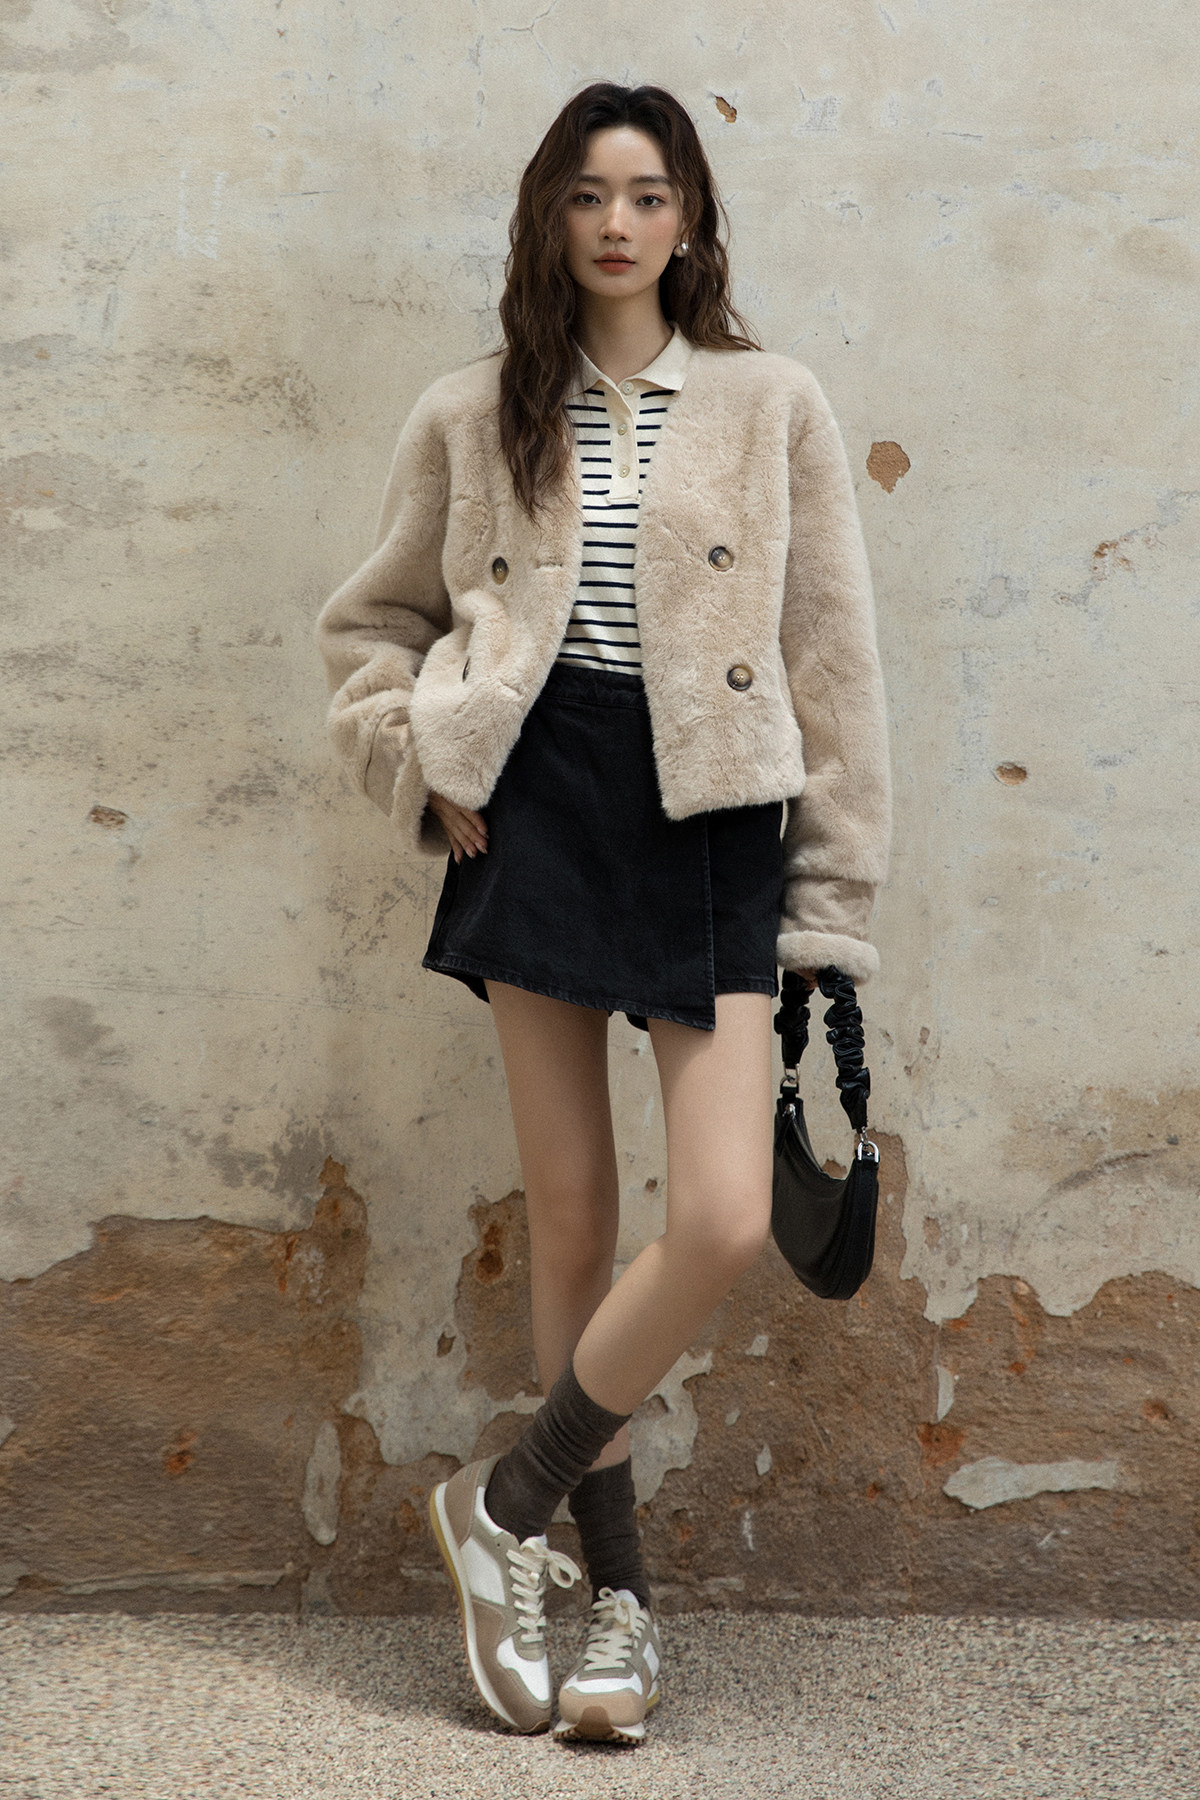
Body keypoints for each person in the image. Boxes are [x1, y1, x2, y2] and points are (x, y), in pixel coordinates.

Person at [315, 80, 890, 1746]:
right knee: (569, 1220)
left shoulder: (773, 402)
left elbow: (833, 668)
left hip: (715, 813)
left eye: (647, 193)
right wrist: (420, 760)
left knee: (716, 1216)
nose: (618, 223)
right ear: (548, 218)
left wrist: (828, 908)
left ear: (690, 217)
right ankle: (615, 1606)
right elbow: (370, 628)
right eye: (587, 194)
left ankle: (500, 1508)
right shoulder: (475, 408)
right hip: (542, 801)